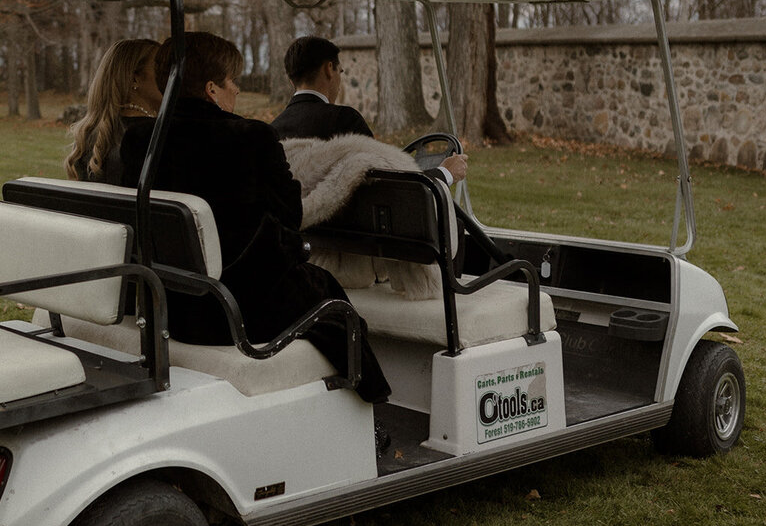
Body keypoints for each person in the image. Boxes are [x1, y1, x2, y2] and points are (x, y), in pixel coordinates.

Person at [119, 32, 391, 411]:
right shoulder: (251, 138)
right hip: (238, 310)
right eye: (235, 82)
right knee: (332, 302)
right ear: (212, 89)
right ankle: (372, 405)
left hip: (173, 305)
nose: (238, 91)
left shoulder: (138, 140)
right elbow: (291, 216)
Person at [272, 35, 468, 186]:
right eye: (340, 72)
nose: (339, 83)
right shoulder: (344, 121)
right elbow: (386, 185)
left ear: (291, 80)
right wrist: (445, 174)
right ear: (328, 69)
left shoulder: (273, 131)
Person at [65, 38, 162, 183]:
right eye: (160, 69)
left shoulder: (88, 134)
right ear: (134, 80)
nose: (169, 77)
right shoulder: (154, 134)